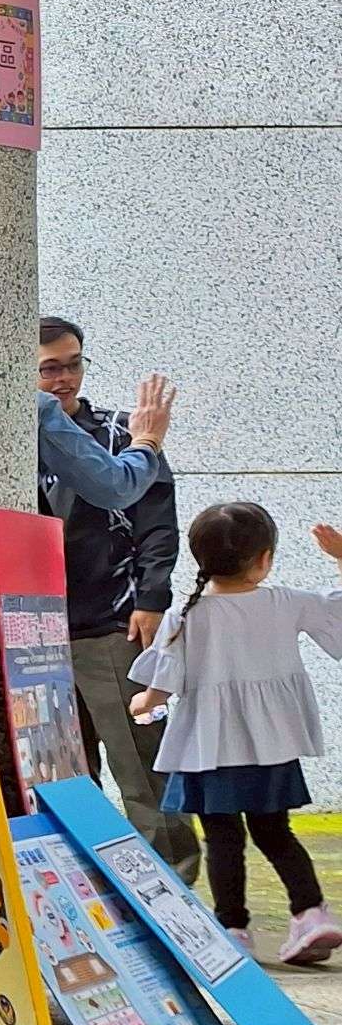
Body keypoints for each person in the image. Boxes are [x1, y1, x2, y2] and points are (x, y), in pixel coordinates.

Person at [129, 503, 342, 964]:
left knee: (223, 839)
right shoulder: (285, 602)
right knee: (276, 832)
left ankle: (233, 929)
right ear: (265, 558)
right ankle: (311, 913)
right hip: (271, 746)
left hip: (209, 749)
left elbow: (163, 685)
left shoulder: (187, 615)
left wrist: (144, 701)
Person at [37, 316, 196, 880]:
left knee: (141, 763)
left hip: (112, 621)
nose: (64, 378)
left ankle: (174, 883)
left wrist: (151, 598)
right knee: (61, 774)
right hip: (33, 635)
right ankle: (86, 890)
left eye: (73, 364)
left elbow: (157, 523)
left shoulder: (119, 434)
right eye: (48, 369)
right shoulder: (11, 432)